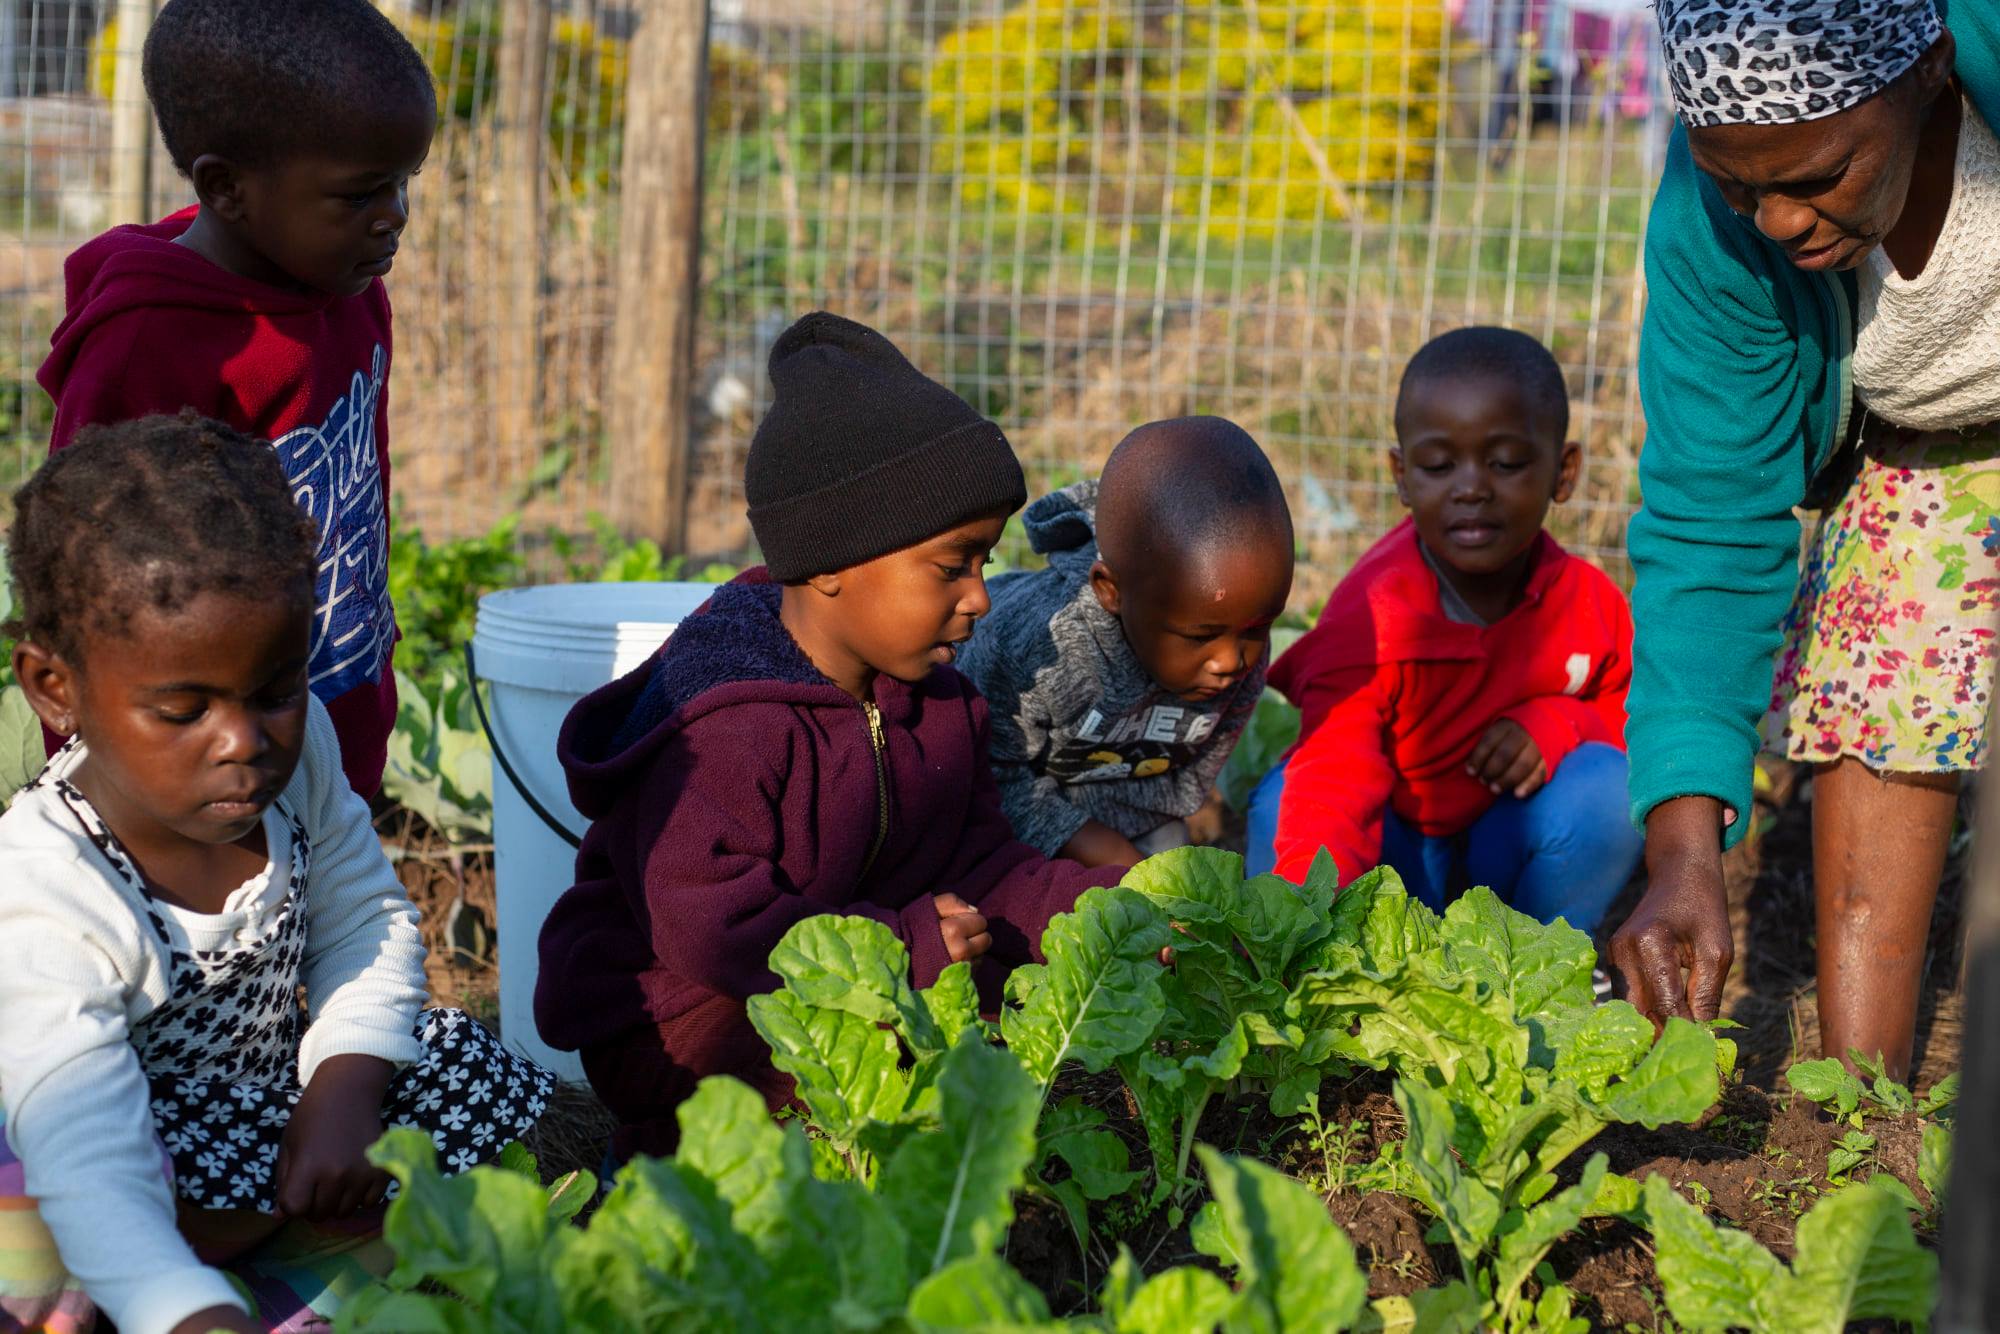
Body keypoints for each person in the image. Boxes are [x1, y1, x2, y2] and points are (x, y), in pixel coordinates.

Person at [0, 416, 551, 1334]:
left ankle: (275, 1290)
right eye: (184, 709)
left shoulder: (301, 759)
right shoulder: (48, 889)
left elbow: (365, 921)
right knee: (36, 1212)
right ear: (56, 690)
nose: (245, 741)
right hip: (93, 1152)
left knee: (453, 1067)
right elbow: (91, 1157)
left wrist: (343, 1084)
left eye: (275, 692)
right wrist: (180, 1312)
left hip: (249, 1135)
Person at [534, 313, 1121, 1165]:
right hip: (678, 1022)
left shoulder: (938, 704)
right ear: (834, 561)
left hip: (843, 966)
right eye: (953, 565)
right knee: (913, 1012)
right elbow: (710, 927)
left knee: (992, 968)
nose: (981, 598)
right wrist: (899, 954)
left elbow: (986, 862)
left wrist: (1105, 908)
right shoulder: (728, 725)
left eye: (985, 563)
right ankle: (680, 1162)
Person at [1614, 0, 2000, 1081]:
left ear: (1928, 69)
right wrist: (1684, 846)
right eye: (1741, 184)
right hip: (1926, 443)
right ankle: (1855, 1120)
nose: (1777, 220)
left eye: (1815, 174)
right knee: (1875, 638)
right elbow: (1706, 514)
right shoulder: (1709, 230)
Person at [33, 0, 438, 799]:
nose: (393, 218)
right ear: (227, 188)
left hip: (331, 746)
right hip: (197, 792)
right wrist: (115, 791)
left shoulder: (349, 296)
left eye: (401, 184)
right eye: (359, 195)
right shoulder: (152, 347)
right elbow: (81, 586)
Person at [1246, 328, 1641, 932]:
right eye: (1438, 465)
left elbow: (1635, 713)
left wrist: (1558, 722)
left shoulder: (1586, 604)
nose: (1471, 488)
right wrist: (1306, 925)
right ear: (1402, 476)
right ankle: (1302, 958)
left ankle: (1544, 965)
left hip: (1504, 851)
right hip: (1395, 859)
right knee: (1284, 806)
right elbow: (1335, 773)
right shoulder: (1371, 618)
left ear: (1563, 472)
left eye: (1506, 463)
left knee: (1610, 792)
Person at [955, 417, 1295, 868]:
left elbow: (1185, 777)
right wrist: (1099, 850)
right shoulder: (1033, 651)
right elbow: (990, 777)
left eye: (1258, 628)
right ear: (1110, 592)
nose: (1232, 661)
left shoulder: (1233, 633)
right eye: (1200, 637)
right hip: (998, 806)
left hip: (1131, 809)